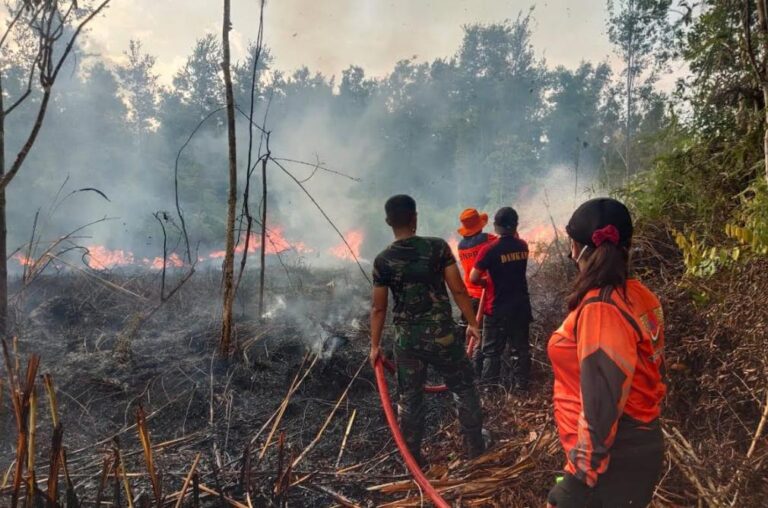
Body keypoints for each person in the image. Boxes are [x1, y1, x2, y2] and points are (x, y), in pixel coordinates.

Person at [546, 198, 666, 508]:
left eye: (572, 244)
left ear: (580, 249)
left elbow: (603, 405)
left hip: (611, 461)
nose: (571, 253)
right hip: (634, 450)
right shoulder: (639, 294)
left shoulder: (602, 307)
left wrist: (578, 478)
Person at [369, 194, 486, 464]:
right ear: (415, 217)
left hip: (407, 342)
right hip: (443, 337)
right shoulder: (437, 247)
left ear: (388, 221)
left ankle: (413, 458)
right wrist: (472, 323)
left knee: (409, 399)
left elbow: (378, 309)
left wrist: (375, 346)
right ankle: (475, 447)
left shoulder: (382, 260)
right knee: (464, 387)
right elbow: (458, 289)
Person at [469, 207, 532, 389]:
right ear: (515, 226)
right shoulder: (523, 245)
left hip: (497, 307)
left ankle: (490, 389)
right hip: (520, 306)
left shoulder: (489, 250)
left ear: (496, 227)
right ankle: (522, 385)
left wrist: (486, 282)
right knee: (520, 349)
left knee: (491, 351)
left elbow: (473, 277)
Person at [456, 208, 497, 375]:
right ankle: (476, 373)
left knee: (470, 333)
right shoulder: (488, 240)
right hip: (485, 295)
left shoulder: (460, 245)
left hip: (469, 296)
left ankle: (463, 367)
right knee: (482, 337)